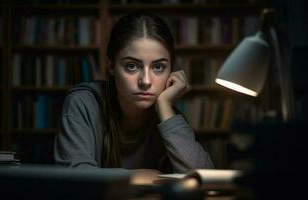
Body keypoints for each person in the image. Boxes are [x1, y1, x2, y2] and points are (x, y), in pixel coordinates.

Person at [54, 12, 213, 174]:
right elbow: (75, 178)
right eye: (132, 66)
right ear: (111, 67)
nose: (145, 81)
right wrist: (136, 176)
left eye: (158, 67)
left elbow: (204, 177)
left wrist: (165, 106)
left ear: (171, 70)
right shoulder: (84, 103)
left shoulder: (168, 116)